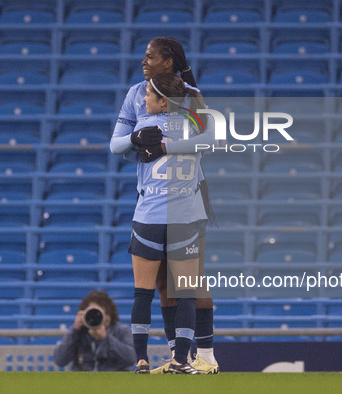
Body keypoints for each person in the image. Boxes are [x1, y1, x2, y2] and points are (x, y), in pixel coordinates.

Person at [110, 36, 219, 375]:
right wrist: (135, 141)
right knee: (162, 284)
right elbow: (119, 143)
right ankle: (177, 357)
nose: (144, 62)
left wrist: (166, 145)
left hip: (187, 195)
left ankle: (206, 356)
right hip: (154, 194)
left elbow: (209, 137)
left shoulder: (189, 94)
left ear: (169, 62)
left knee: (191, 281)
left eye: (150, 57)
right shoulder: (134, 94)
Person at [53, 290, 135, 371]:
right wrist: (75, 330)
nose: (98, 318)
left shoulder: (121, 330)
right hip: (83, 381)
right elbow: (60, 360)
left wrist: (107, 339)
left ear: (110, 314)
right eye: (93, 313)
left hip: (115, 380)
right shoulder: (78, 332)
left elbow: (132, 358)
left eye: (103, 313)